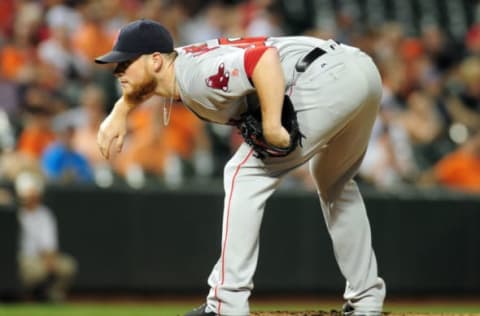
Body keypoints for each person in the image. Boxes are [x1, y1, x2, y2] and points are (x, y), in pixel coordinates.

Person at [95, 19, 386, 316]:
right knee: (334, 182)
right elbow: (147, 81)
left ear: (155, 60)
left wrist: (272, 124)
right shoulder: (174, 64)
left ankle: (225, 304)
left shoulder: (194, 76)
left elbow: (262, 59)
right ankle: (366, 300)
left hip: (324, 79)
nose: (118, 71)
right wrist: (120, 110)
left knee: (242, 173)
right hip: (360, 71)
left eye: (125, 63)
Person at [15, 171, 77, 302]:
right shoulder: (16, 212)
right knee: (33, 273)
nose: (31, 198)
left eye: (33, 195)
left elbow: (49, 244)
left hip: (43, 258)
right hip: (24, 259)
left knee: (67, 266)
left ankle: (51, 294)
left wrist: (49, 260)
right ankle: (25, 296)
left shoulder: (45, 214)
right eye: (27, 195)